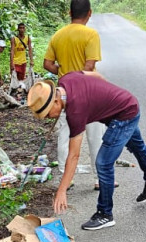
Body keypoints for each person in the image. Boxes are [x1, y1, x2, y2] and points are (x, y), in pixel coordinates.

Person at [26, 71, 146, 231]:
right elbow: (94, 75)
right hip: (128, 102)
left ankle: (105, 214)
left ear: (56, 101)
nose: (48, 118)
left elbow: (74, 156)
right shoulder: (66, 79)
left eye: (47, 114)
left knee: (103, 163)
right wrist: (109, 93)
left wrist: (61, 190)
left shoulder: (76, 111)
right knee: (137, 146)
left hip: (123, 116)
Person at [43, 0, 107, 190]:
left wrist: (65, 74)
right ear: (90, 13)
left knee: (65, 134)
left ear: (70, 12)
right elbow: (89, 65)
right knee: (95, 136)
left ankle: (66, 177)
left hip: (65, 94)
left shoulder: (58, 35)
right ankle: (99, 179)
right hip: (89, 93)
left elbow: (47, 64)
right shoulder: (91, 34)